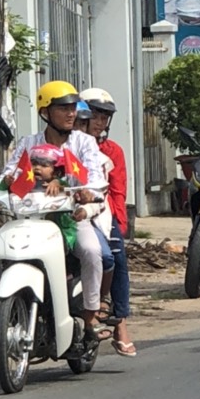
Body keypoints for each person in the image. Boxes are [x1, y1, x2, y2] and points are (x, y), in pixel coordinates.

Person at [0, 81, 110, 339]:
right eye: (63, 108)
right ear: (45, 112)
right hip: (30, 217)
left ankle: (90, 314)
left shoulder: (84, 142)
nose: (71, 113)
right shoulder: (29, 143)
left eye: (73, 107)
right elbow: (10, 174)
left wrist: (88, 193)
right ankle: (0, 316)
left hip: (70, 216)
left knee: (91, 250)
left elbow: (95, 177)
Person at [78, 88, 136, 357]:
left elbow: (117, 190)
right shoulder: (68, 144)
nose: (101, 122)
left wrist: (119, 224)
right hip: (68, 211)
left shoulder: (112, 150)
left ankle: (120, 323)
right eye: (96, 116)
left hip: (103, 212)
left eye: (106, 117)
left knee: (117, 257)